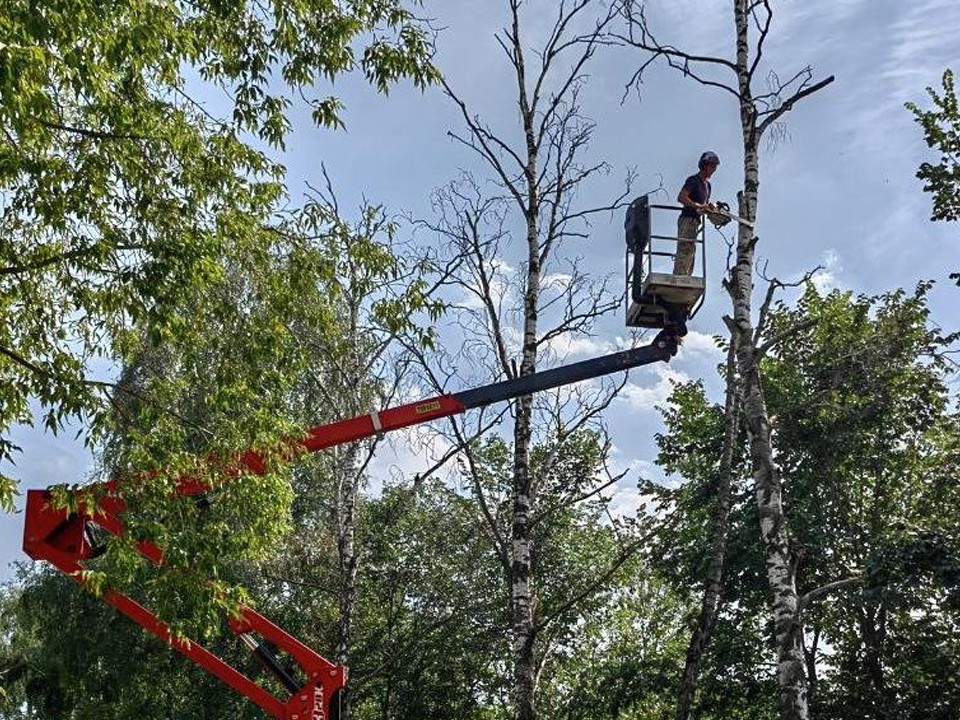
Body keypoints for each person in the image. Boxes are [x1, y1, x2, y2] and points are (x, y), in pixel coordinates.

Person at [674, 151, 719, 275]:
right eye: (712, 166)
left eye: (715, 167)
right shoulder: (693, 180)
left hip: (696, 222)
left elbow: (704, 206)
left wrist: (711, 209)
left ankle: (686, 277)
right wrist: (698, 206)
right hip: (687, 219)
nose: (713, 170)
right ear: (704, 165)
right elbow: (682, 197)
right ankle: (679, 277)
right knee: (685, 249)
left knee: (691, 252)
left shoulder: (708, 186)